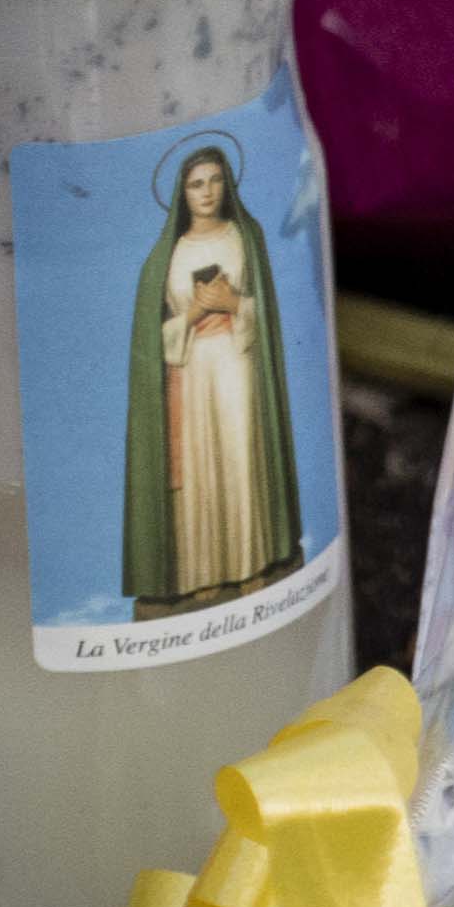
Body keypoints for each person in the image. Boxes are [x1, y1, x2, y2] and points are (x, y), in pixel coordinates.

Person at [120, 145, 300, 612]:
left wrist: (233, 304)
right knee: (201, 467)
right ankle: (202, 575)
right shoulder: (169, 254)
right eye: (196, 184)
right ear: (182, 192)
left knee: (241, 457)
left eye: (215, 180)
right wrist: (194, 313)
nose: (207, 192)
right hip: (192, 367)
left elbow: (266, 312)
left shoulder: (245, 237)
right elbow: (154, 334)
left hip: (238, 361)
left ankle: (251, 564)